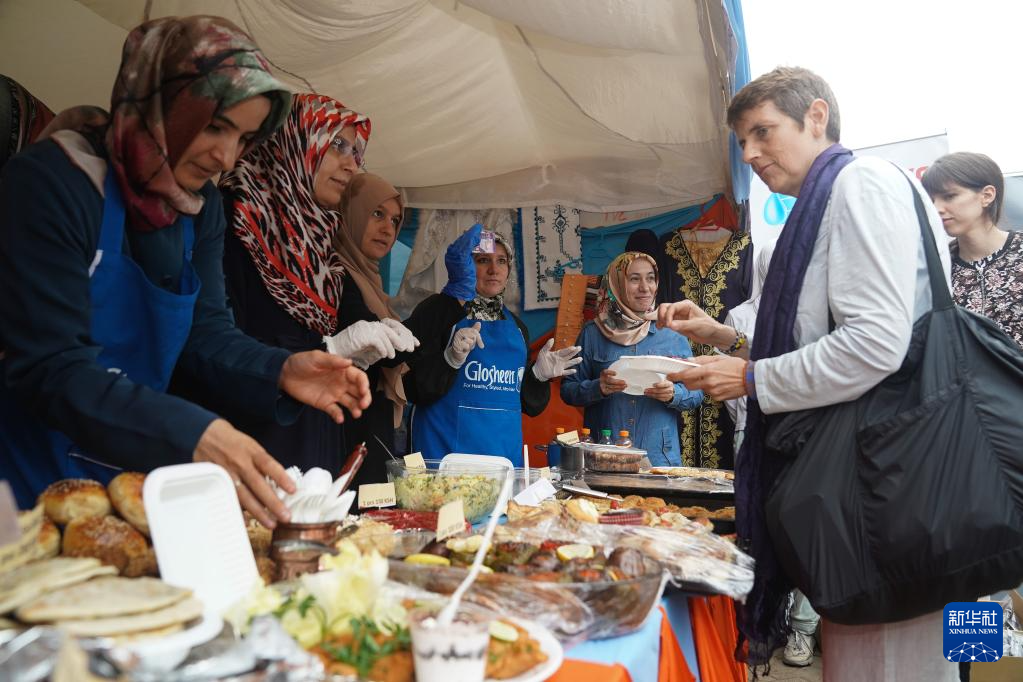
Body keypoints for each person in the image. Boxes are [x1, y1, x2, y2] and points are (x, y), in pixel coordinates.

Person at [0, 17, 371, 529]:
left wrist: (280, 370)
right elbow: (52, 367)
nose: (226, 156)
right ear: (162, 101)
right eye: (215, 126)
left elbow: (205, 333)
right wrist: (193, 431)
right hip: (24, 486)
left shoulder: (200, 209)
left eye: (244, 138)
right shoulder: (55, 183)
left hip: (128, 489)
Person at [656, 67, 956, 680]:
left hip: (888, 483)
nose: (749, 154)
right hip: (875, 478)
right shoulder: (835, 195)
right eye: (742, 141)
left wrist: (752, 380)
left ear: (816, 117)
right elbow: (825, 336)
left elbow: (874, 344)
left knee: (884, 662)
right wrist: (726, 337)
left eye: (762, 132)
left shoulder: (859, 184)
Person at [211, 93, 409, 474]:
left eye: (356, 152)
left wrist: (341, 353)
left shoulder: (318, 247)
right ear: (295, 140)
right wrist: (326, 350)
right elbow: (219, 345)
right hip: (249, 453)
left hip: (313, 449)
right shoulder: (236, 217)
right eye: (338, 145)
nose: (351, 164)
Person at [407, 226, 581, 465]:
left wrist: (538, 377)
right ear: (466, 266)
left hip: (501, 460)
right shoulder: (440, 311)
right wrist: (449, 360)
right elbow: (412, 389)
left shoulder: (517, 328)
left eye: (501, 261)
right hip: (445, 457)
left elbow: (528, 406)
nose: (494, 269)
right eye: (482, 260)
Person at [331, 173, 459, 485]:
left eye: (395, 220)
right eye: (377, 213)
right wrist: (448, 300)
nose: (388, 228)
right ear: (351, 212)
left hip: (368, 427)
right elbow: (386, 351)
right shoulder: (336, 275)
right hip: (342, 430)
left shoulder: (369, 279)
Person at [561, 252, 702, 466]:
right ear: (617, 284)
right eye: (634, 279)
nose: (645, 288)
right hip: (605, 457)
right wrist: (598, 388)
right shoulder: (593, 334)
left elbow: (697, 392)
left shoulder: (671, 332)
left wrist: (674, 393)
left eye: (650, 278)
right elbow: (568, 390)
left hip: (659, 460)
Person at [922, 152, 1023, 348]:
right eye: (931, 200)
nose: (937, 208)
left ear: (987, 195)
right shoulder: (937, 267)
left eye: (949, 196)